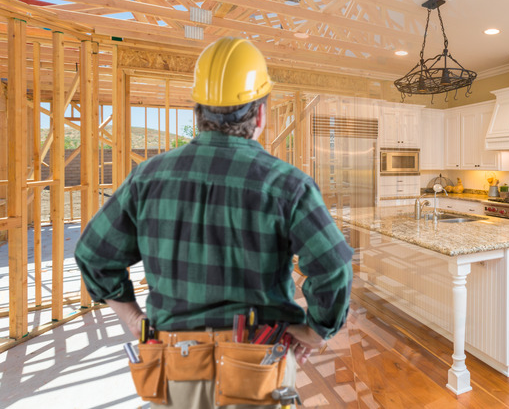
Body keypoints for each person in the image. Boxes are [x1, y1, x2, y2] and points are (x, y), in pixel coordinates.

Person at [75, 37, 354, 408]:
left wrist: (133, 319)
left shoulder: (148, 178)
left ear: (198, 113)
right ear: (259, 115)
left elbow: (94, 255)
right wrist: (317, 331)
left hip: (175, 367)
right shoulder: (287, 185)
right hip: (258, 366)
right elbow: (333, 266)